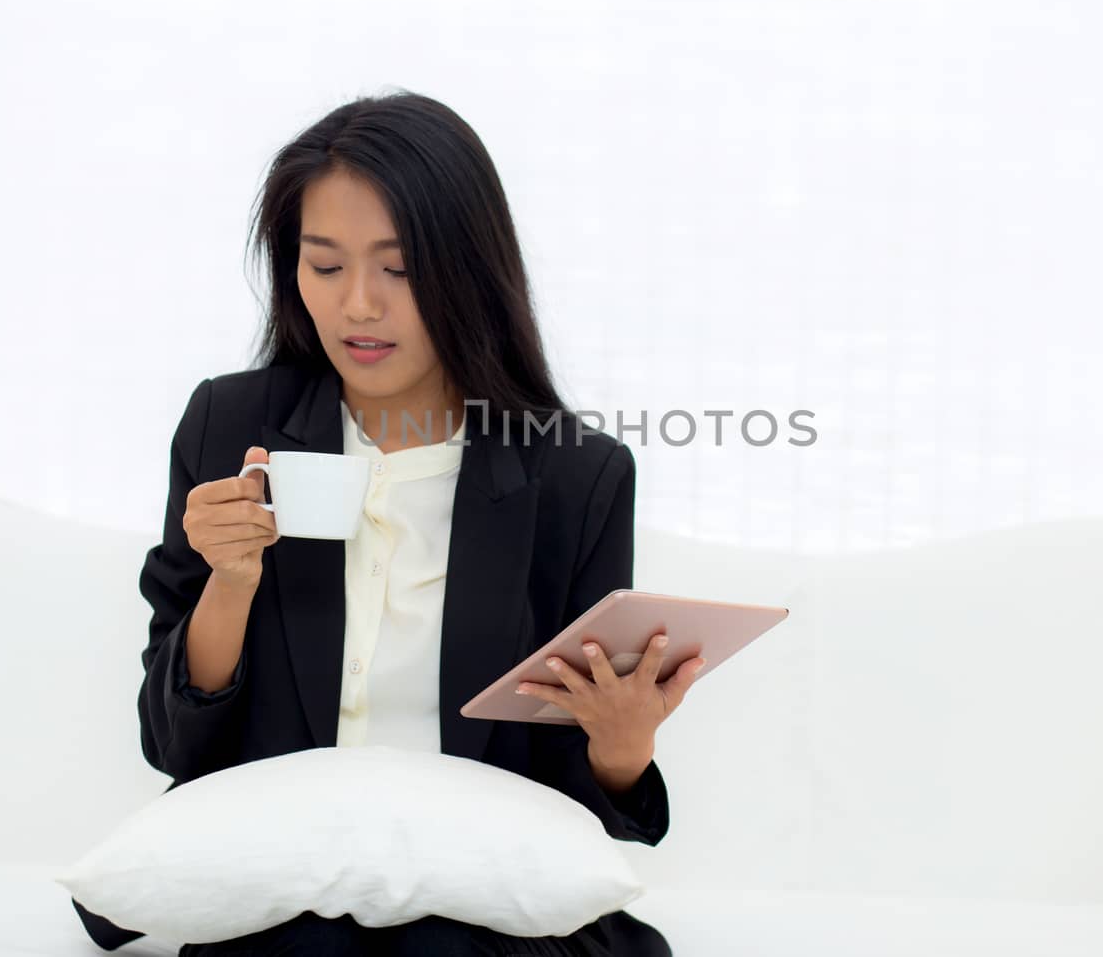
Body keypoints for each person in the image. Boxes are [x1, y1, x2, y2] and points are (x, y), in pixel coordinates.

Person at [70, 91, 704, 956]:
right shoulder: (230, 425)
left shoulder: (572, 474)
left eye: (397, 269)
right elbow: (175, 743)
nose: (358, 305)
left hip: (472, 899)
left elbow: (567, 811)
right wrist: (231, 582)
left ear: (469, 269)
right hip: (286, 883)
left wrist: (622, 748)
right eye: (324, 266)